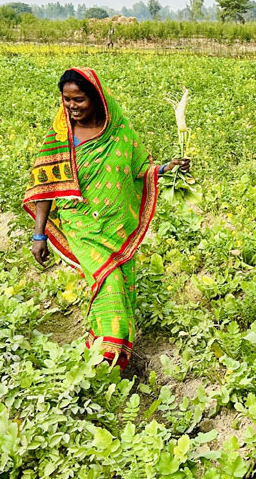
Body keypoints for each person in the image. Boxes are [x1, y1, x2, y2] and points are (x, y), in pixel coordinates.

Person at [23, 67, 189, 370]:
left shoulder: (120, 132)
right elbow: (45, 186)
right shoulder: (61, 136)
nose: (72, 107)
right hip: (82, 226)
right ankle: (102, 360)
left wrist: (167, 168)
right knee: (108, 282)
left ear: (97, 98)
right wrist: (39, 234)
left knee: (124, 284)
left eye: (79, 100)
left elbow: (140, 168)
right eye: (66, 100)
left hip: (115, 223)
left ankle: (117, 357)